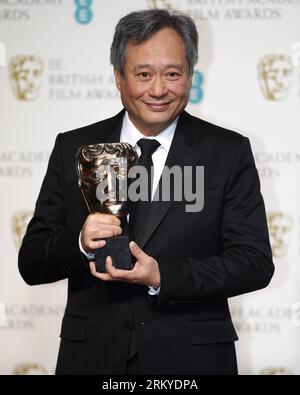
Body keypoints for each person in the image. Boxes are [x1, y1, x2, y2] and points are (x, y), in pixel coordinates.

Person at [18, 9, 274, 375]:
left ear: (190, 76)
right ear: (119, 78)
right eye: (143, 74)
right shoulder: (74, 148)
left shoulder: (227, 152)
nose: (158, 89)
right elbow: (31, 262)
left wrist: (162, 277)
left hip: (193, 362)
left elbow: (254, 263)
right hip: (92, 359)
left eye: (173, 74)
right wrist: (79, 242)